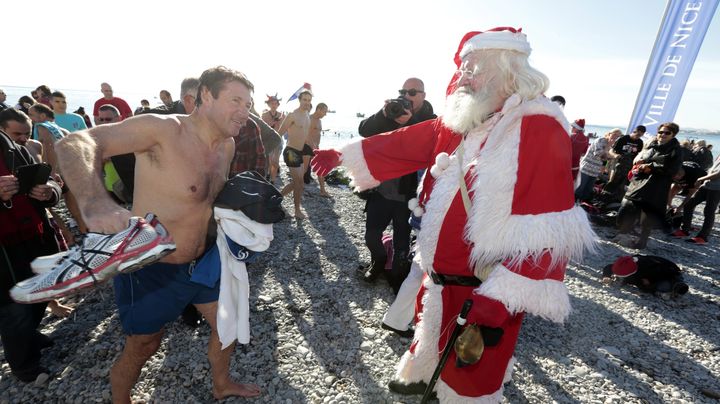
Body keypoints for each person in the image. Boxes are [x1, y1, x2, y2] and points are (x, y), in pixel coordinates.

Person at [312, 27, 595, 401]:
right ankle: (422, 377)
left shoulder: (536, 126)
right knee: (431, 336)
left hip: (484, 284)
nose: (463, 76)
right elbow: (407, 141)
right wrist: (347, 153)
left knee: (471, 374)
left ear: (508, 70)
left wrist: (501, 296)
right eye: (464, 66)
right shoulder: (468, 119)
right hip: (440, 277)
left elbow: (547, 228)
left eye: (473, 66)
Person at [25, 66, 263, 401]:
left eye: (248, 103)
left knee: (228, 326)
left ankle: (221, 383)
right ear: (205, 96)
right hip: (150, 268)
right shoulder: (163, 130)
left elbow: (204, 202)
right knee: (144, 345)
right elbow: (77, 141)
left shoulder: (227, 145)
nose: (245, 111)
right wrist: (95, 201)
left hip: (205, 262)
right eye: (236, 100)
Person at [357, 77, 436, 294]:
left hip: (409, 196)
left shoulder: (432, 121)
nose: (407, 96)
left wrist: (408, 123)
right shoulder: (392, 112)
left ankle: (397, 275)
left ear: (423, 95)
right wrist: (384, 114)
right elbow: (364, 130)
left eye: (412, 92)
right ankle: (378, 262)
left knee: (402, 243)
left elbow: (426, 148)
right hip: (381, 190)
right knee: (371, 236)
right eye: (403, 91)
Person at [0, 124, 63, 382]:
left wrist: (49, 192)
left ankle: (29, 335)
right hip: (3, 250)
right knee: (12, 307)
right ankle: (24, 366)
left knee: (39, 292)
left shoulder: (13, 147)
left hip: (34, 236)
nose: (25, 137)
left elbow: (50, 182)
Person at [616, 122, 682, 249]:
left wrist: (651, 167)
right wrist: (640, 163)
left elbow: (673, 169)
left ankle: (642, 242)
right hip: (639, 182)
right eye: (660, 132)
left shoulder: (675, 150)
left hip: (657, 186)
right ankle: (622, 233)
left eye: (667, 133)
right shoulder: (652, 145)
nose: (662, 135)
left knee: (648, 216)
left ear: (673, 135)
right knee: (627, 206)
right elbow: (643, 158)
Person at [671, 153, 720, 244]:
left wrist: (700, 178)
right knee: (689, 205)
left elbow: (718, 174)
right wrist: (705, 179)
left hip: (717, 189)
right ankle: (685, 230)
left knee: (709, 211)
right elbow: (713, 169)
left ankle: (702, 237)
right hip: (707, 185)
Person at [278, 90, 313, 219]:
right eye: (304, 100)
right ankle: (297, 210)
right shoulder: (292, 115)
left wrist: (312, 145)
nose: (307, 103)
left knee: (298, 183)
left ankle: (278, 197)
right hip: (291, 151)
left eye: (309, 100)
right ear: (300, 100)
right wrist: (273, 151)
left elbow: (305, 134)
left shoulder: (307, 115)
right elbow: (279, 133)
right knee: (299, 182)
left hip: (301, 150)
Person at [602, 255, 688, 297]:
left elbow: (644, 284)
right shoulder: (626, 263)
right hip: (655, 271)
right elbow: (609, 267)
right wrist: (606, 276)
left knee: (663, 286)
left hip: (668, 272)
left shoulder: (647, 269)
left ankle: (676, 286)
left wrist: (647, 287)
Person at [576, 128, 622, 202]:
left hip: (595, 170)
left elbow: (606, 159)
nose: (615, 137)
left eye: (617, 136)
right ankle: (573, 203)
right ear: (609, 133)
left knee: (588, 190)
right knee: (580, 187)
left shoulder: (610, 144)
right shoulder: (600, 140)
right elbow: (599, 154)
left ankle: (582, 206)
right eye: (614, 134)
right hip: (586, 168)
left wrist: (613, 156)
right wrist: (610, 153)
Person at [601, 125, 645, 202]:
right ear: (634, 131)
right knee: (612, 181)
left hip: (630, 165)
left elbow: (639, 155)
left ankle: (617, 200)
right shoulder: (623, 139)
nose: (637, 137)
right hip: (618, 163)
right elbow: (611, 151)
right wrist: (616, 155)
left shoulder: (640, 142)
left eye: (640, 135)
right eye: (637, 134)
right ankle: (604, 197)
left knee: (624, 184)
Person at [305, 103, 330, 195]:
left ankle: (322, 190)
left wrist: (317, 147)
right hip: (308, 147)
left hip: (316, 148)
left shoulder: (319, 121)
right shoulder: (310, 119)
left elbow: (316, 134)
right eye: (324, 111)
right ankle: (298, 188)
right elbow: (306, 134)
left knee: (321, 167)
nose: (325, 114)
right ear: (318, 109)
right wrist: (312, 146)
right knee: (303, 170)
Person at [261, 94, 285, 183]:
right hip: (268, 140)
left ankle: (273, 180)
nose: (274, 105)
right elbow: (262, 128)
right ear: (268, 104)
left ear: (278, 104)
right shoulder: (264, 115)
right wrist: (273, 122)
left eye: (275, 103)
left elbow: (286, 128)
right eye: (272, 103)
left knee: (275, 161)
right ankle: (267, 175)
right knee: (269, 161)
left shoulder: (282, 115)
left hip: (278, 140)